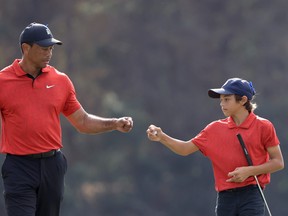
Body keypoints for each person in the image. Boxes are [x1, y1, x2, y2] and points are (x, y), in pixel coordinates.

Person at [0, 22, 133, 216]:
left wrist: (114, 123)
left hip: (52, 165)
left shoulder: (60, 81)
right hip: (19, 167)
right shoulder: (3, 82)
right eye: (44, 48)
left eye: (51, 48)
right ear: (25, 48)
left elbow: (83, 122)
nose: (49, 53)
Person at [147, 78, 284, 216]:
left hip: (252, 194)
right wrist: (162, 137)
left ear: (242, 100)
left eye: (226, 99)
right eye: (221, 100)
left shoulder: (264, 126)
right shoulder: (214, 129)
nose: (221, 104)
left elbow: (278, 162)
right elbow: (184, 149)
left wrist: (249, 171)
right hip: (225, 197)